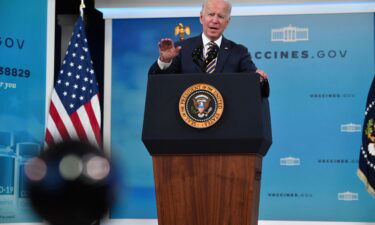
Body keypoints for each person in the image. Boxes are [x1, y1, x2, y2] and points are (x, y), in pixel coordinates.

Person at [148, 0, 268, 83]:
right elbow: (158, 83)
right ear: (201, 18)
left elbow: (253, 78)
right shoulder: (181, 49)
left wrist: (259, 77)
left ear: (227, 22)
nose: (215, 20)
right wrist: (164, 61)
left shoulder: (239, 52)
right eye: (211, 14)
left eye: (221, 16)